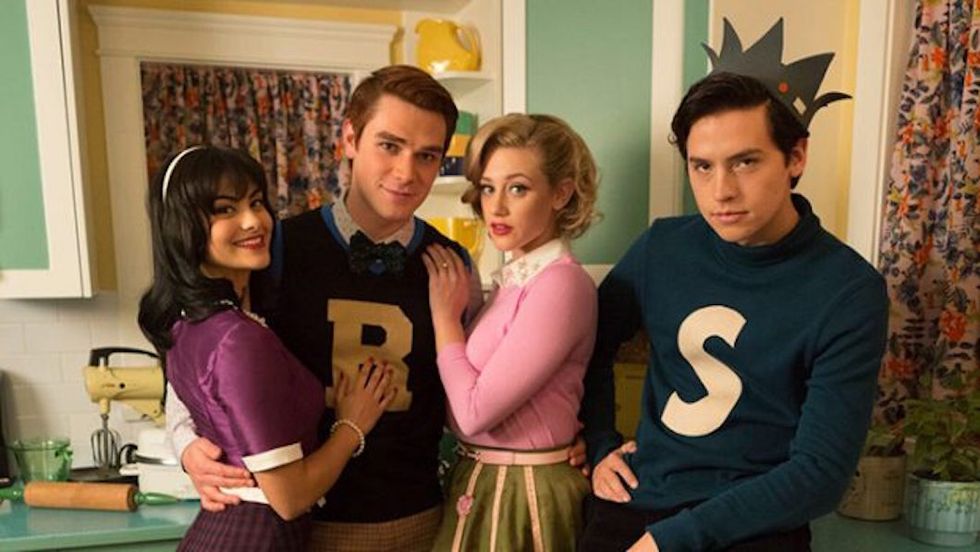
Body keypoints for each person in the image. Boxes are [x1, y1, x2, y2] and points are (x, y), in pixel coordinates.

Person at [578, 20, 890, 552]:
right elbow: (583, 347)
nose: (720, 190)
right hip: (640, 497)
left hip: (758, 521)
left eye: (745, 162)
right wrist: (600, 442)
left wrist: (672, 541)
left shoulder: (849, 291)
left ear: (796, 157)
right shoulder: (661, 248)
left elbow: (821, 473)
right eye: (702, 167)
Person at [166, 65, 482, 551]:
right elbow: (201, 357)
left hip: (421, 519)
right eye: (389, 145)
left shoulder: (452, 264)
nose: (406, 173)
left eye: (427, 156)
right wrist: (185, 443)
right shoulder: (275, 248)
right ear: (350, 138)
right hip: (306, 526)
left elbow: (479, 389)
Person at [138, 145, 395, 550]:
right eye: (225, 209)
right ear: (182, 226)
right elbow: (289, 499)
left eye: (256, 203)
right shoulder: (237, 338)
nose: (253, 221)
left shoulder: (187, 320)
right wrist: (352, 426)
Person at [422, 114, 599, 551]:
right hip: (483, 481)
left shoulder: (561, 283)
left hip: (525, 492)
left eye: (517, 188)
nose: (496, 207)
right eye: (488, 188)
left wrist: (446, 322)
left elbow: (473, 412)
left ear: (561, 193)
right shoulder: (513, 283)